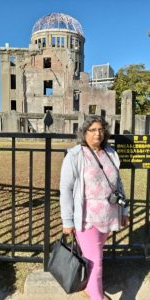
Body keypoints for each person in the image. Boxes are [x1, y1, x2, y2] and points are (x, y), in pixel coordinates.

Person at [59, 115, 129, 300]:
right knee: (96, 262)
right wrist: (67, 221)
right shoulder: (75, 155)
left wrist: (124, 210)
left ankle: (89, 289)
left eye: (101, 129)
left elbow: (118, 184)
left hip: (109, 216)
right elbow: (65, 189)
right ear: (84, 132)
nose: (97, 133)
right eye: (93, 130)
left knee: (94, 259)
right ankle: (97, 297)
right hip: (87, 219)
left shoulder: (110, 152)